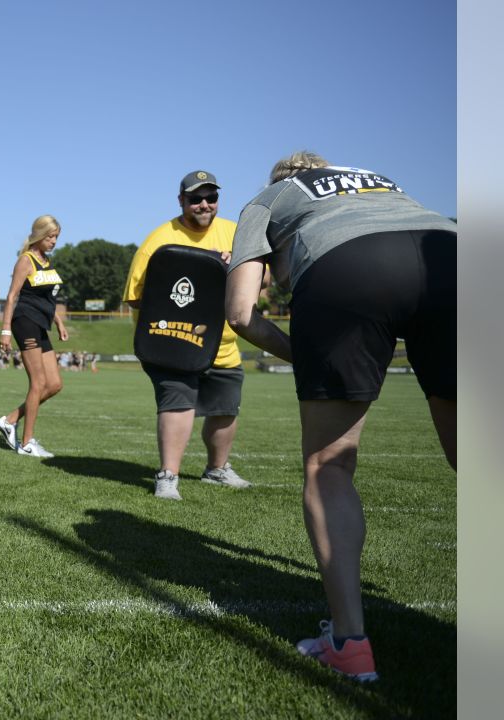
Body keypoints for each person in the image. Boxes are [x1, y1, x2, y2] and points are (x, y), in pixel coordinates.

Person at [225, 152, 456, 682]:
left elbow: (241, 313)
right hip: (452, 254)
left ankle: (349, 642)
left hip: (347, 269)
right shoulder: (380, 182)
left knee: (328, 466)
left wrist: (308, 356)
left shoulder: (269, 199)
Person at [123, 170, 253, 501]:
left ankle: (217, 469)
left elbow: (261, 283)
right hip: (172, 343)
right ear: (181, 200)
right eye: (195, 198)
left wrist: (234, 269)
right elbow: (136, 295)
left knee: (226, 408)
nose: (204, 204)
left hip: (222, 344)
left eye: (211, 198)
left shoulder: (235, 235)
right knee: (178, 402)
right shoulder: (159, 239)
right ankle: (168, 476)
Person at [0, 215, 69, 458]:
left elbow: (48, 300)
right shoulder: (25, 261)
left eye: (56, 236)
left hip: (42, 324)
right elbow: (12, 296)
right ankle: (27, 443)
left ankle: (10, 420)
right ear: (39, 235)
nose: (54, 241)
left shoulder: (47, 262)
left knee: (54, 384)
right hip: (24, 322)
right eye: (50, 236)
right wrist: (5, 329)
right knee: (38, 383)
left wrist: (58, 322)